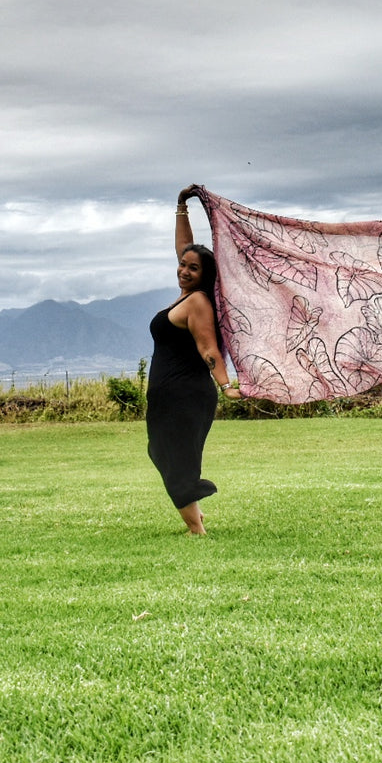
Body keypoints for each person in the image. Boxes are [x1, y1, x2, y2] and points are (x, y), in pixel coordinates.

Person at [145, 185, 241, 535]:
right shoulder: (184, 297)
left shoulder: (198, 302)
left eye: (193, 268)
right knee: (162, 453)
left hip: (186, 396)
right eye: (183, 265)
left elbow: (208, 349)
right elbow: (184, 248)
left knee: (176, 458)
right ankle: (195, 520)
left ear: (205, 276)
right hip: (171, 396)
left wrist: (227, 385)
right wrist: (182, 206)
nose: (184, 270)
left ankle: (196, 530)